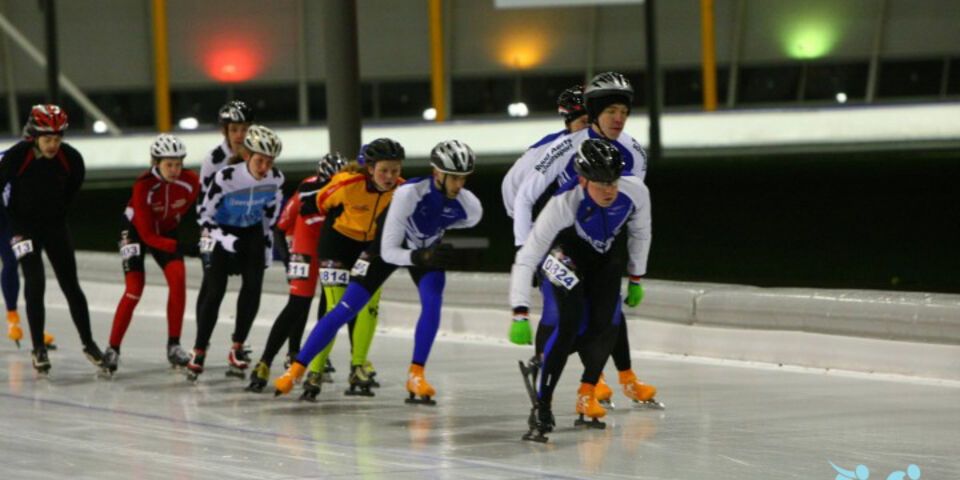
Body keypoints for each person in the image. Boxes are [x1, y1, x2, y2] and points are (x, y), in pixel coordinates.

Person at [273, 140, 482, 405]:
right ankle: (297, 369)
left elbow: (459, 221)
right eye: (454, 177)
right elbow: (389, 251)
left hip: (423, 250)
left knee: (432, 304)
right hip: (384, 248)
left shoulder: (471, 206)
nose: (459, 184)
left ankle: (416, 375)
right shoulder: (407, 193)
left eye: (464, 178)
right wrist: (420, 255)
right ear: (437, 172)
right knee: (344, 308)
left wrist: (431, 243)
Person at [509, 72, 657, 407]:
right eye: (611, 112)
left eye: (624, 112)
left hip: (601, 238)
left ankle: (610, 379)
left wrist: (634, 270)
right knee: (563, 316)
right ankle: (550, 374)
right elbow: (523, 197)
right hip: (559, 238)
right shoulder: (564, 147)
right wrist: (524, 246)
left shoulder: (634, 152)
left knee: (608, 312)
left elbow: (630, 206)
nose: (619, 119)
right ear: (594, 113)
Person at [511, 139, 651, 441]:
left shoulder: (635, 191)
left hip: (601, 255)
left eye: (613, 182)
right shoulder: (563, 202)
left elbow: (641, 233)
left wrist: (637, 277)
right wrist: (519, 311)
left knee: (607, 324)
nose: (609, 190)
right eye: (601, 184)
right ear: (584, 180)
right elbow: (527, 257)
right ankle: (542, 407)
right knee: (570, 321)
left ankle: (573, 383)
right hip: (563, 254)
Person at [270, 138, 404, 398]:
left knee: (370, 306)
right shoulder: (346, 184)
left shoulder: (402, 190)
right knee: (336, 306)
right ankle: (315, 371)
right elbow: (317, 205)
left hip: (369, 247)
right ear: (370, 168)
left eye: (395, 170)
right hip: (336, 245)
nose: (390, 177)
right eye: (384, 170)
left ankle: (358, 366)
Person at [0, 104, 104, 374]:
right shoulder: (16, 156)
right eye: (47, 139)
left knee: (71, 284)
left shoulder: (72, 159)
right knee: (35, 281)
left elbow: (70, 192)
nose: (52, 145)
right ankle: (38, 348)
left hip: (54, 224)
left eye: (57, 139)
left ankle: (89, 344)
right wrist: (12, 222)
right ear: (35, 136)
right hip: (22, 226)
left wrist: (55, 215)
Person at [186, 125, 284, 381]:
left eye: (270, 162)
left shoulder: (276, 179)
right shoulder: (226, 177)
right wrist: (226, 240)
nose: (265, 167)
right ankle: (199, 349)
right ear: (246, 156)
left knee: (253, 287)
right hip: (219, 232)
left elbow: (270, 218)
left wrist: (267, 249)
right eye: (260, 160)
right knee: (215, 290)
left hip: (251, 233)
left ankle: (238, 345)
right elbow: (204, 216)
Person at [246, 152, 346, 392]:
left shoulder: (350, 190)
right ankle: (265, 361)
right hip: (306, 243)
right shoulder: (306, 189)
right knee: (298, 303)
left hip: (332, 245)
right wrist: (289, 260)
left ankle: (316, 356)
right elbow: (280, 228)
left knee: (330, 304)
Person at [100, 134, 200, 375]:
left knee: (178, 279)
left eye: (178, 164)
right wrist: (184, 248)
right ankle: (113, 348)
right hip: (136, 229)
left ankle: (174, 345)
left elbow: (185, 209)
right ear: (156, 163)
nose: (174, 170)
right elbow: (147, 236)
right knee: (135, 288)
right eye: (169, 165)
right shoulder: (143, 185)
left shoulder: (191, 181)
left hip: (165, 228)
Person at [501, 84, 588, 218]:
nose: (591, 128)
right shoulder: (547, 150)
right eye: (584, 122)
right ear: (568, 124)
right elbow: (512, 184)